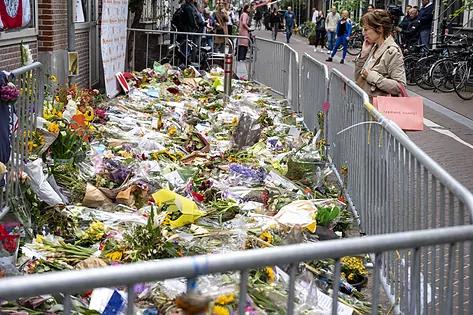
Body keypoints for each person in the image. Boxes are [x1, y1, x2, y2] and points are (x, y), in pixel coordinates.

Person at [354, 9, 406, 99]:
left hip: (378, 108)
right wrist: (363, 55)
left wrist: (372, 77)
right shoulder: (373, 47)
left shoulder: (392, 51)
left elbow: (399, 86)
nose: (364, 33)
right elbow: (358, 77)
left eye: (366, 29)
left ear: (379, 29)